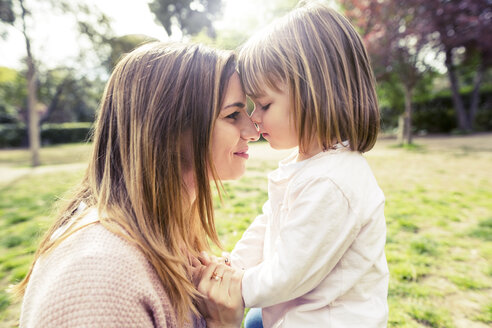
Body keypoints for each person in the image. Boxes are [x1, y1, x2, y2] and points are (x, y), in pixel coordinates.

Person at [12, 41, 258, 328]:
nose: (253, 131)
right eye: (232, 115)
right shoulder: (100, 279)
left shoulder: (164, 230)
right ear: (170, 128)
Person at [200, 2, 389, 327]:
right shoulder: (305, 162)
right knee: (255, 320)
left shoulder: (333, 181)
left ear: (314, 93)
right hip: (291, 309)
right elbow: (269, 221)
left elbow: (289, 273)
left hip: (327, 320)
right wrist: (234, 263)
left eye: (263, 105)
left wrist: (232, 287)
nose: (254, 120)